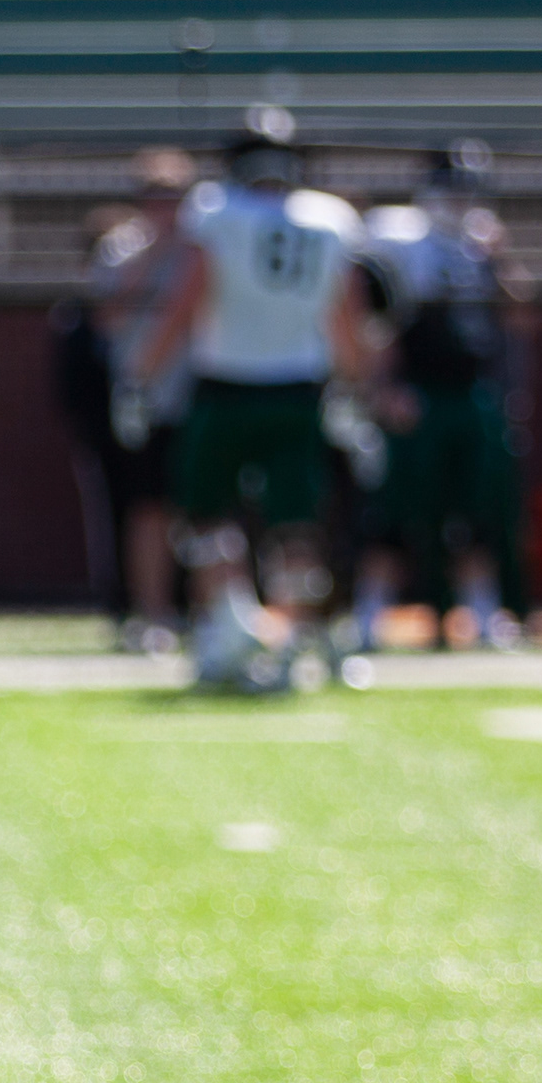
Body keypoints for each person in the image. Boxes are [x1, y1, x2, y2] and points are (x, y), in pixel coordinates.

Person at [127, 107, 371, 691]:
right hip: (299, 390)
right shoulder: (329, 219)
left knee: (208, 519)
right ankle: (289, 641)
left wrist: (139, 376)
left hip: (227, 389)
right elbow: (345, 315)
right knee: (295, 528)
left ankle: (230, 632)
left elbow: (185, 300)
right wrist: (358, 387)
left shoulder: (217, 212)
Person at [358, 143, 536, 650]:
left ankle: (482, 612)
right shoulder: (400, 239)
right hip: (417, 392)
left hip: (472, 393)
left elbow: (522, 315)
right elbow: (376, 324)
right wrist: (383, 388)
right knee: (393, 511)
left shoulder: (482, 246)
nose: (460, 201)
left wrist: (500, 258)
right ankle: (370, 612)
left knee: (475, 511)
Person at [91, 149, 204, 653]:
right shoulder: (121, 247)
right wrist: (156, 252)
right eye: (155, 196)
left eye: (174, 196)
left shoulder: (203, 246)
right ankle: (153, 614)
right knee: (149, 509)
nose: (165, 207)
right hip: (144, 398)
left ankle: (208, 615)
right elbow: (106, 317)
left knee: (205, 509)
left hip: (200, 392)